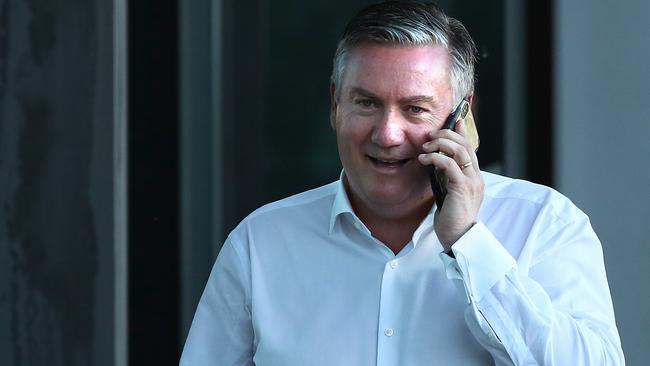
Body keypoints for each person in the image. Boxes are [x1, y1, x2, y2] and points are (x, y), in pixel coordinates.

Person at [180, 1, 624, 365]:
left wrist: (469, 244)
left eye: (415, 109)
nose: (388, 134)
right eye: (367, 102)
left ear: (461, 117)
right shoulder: (261, 243)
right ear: (336, 105)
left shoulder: (545, 224)